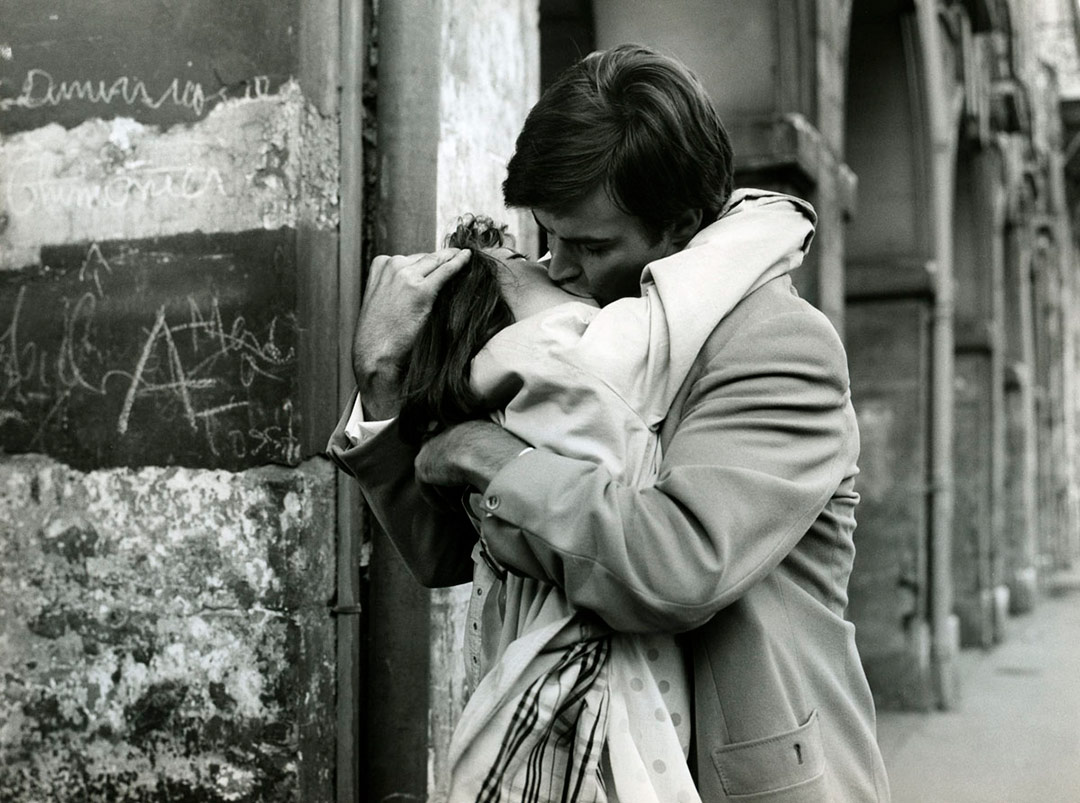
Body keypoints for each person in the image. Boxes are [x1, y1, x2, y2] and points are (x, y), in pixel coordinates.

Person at [329, 44, 891, 802]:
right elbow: (448, 550)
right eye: (548, 235)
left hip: (738, 780)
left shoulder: (777, 343)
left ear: (682, 223)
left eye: (590, 245)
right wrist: (384, 381)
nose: (558, 267)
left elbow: (679, 564)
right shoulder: (576, 337)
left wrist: (485, 453)